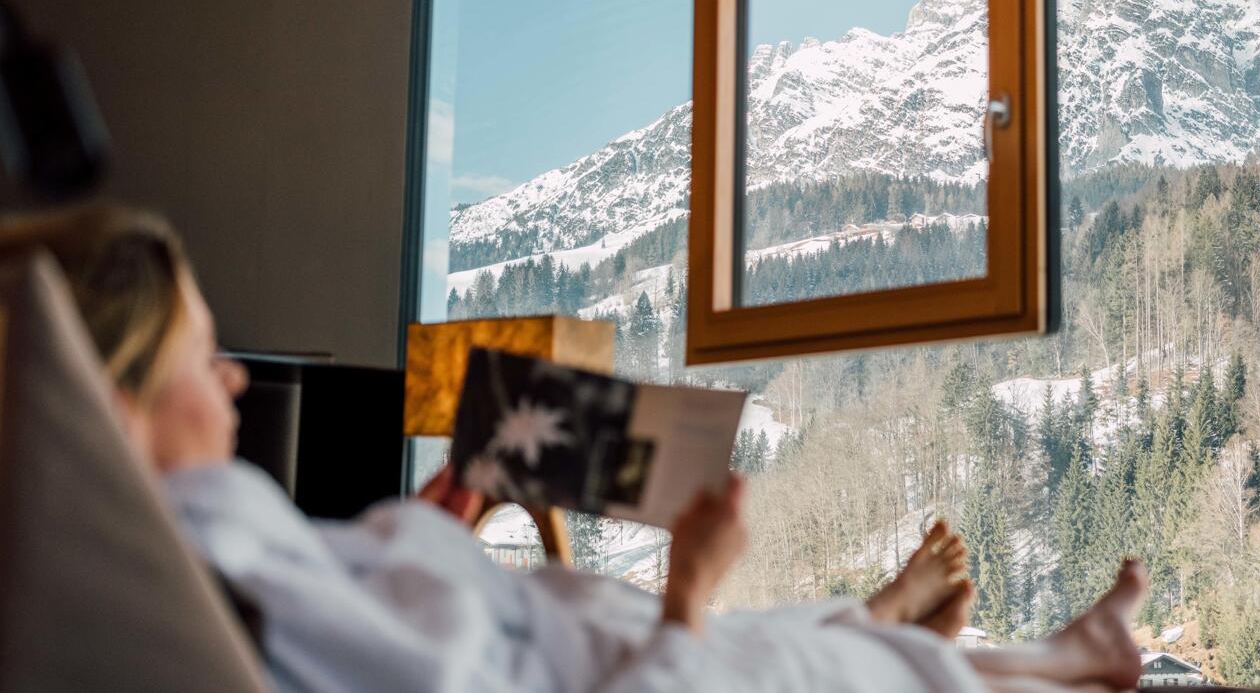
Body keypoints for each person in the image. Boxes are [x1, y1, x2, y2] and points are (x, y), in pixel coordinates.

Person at [0, 203, 1149, 693]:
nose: (240, 378)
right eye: (208, 360)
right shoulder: (206, 549)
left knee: (786, 639)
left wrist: (431, 527)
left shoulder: (202, 548)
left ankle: (942, 626)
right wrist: (689, 586)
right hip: (597, 663)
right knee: (841, 673)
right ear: (117, 399)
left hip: (570, 640)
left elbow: (385, 640)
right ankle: (1059, 660)